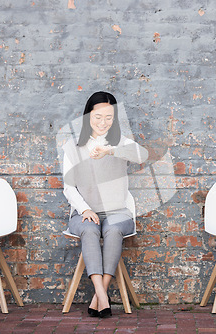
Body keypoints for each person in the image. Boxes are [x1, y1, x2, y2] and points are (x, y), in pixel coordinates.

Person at [62, 91, 148, 318]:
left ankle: (98, 297)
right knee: (90, 230)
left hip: (118, 212)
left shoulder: (121, 143)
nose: (103, 122)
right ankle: (102, 295)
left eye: (109, 117)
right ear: (87, 116)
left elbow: (142, 155)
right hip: (84, 213)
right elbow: (68, 187)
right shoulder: (73, 146)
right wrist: (85, 209)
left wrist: (111, 149)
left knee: (113, 229)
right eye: (97, 116)